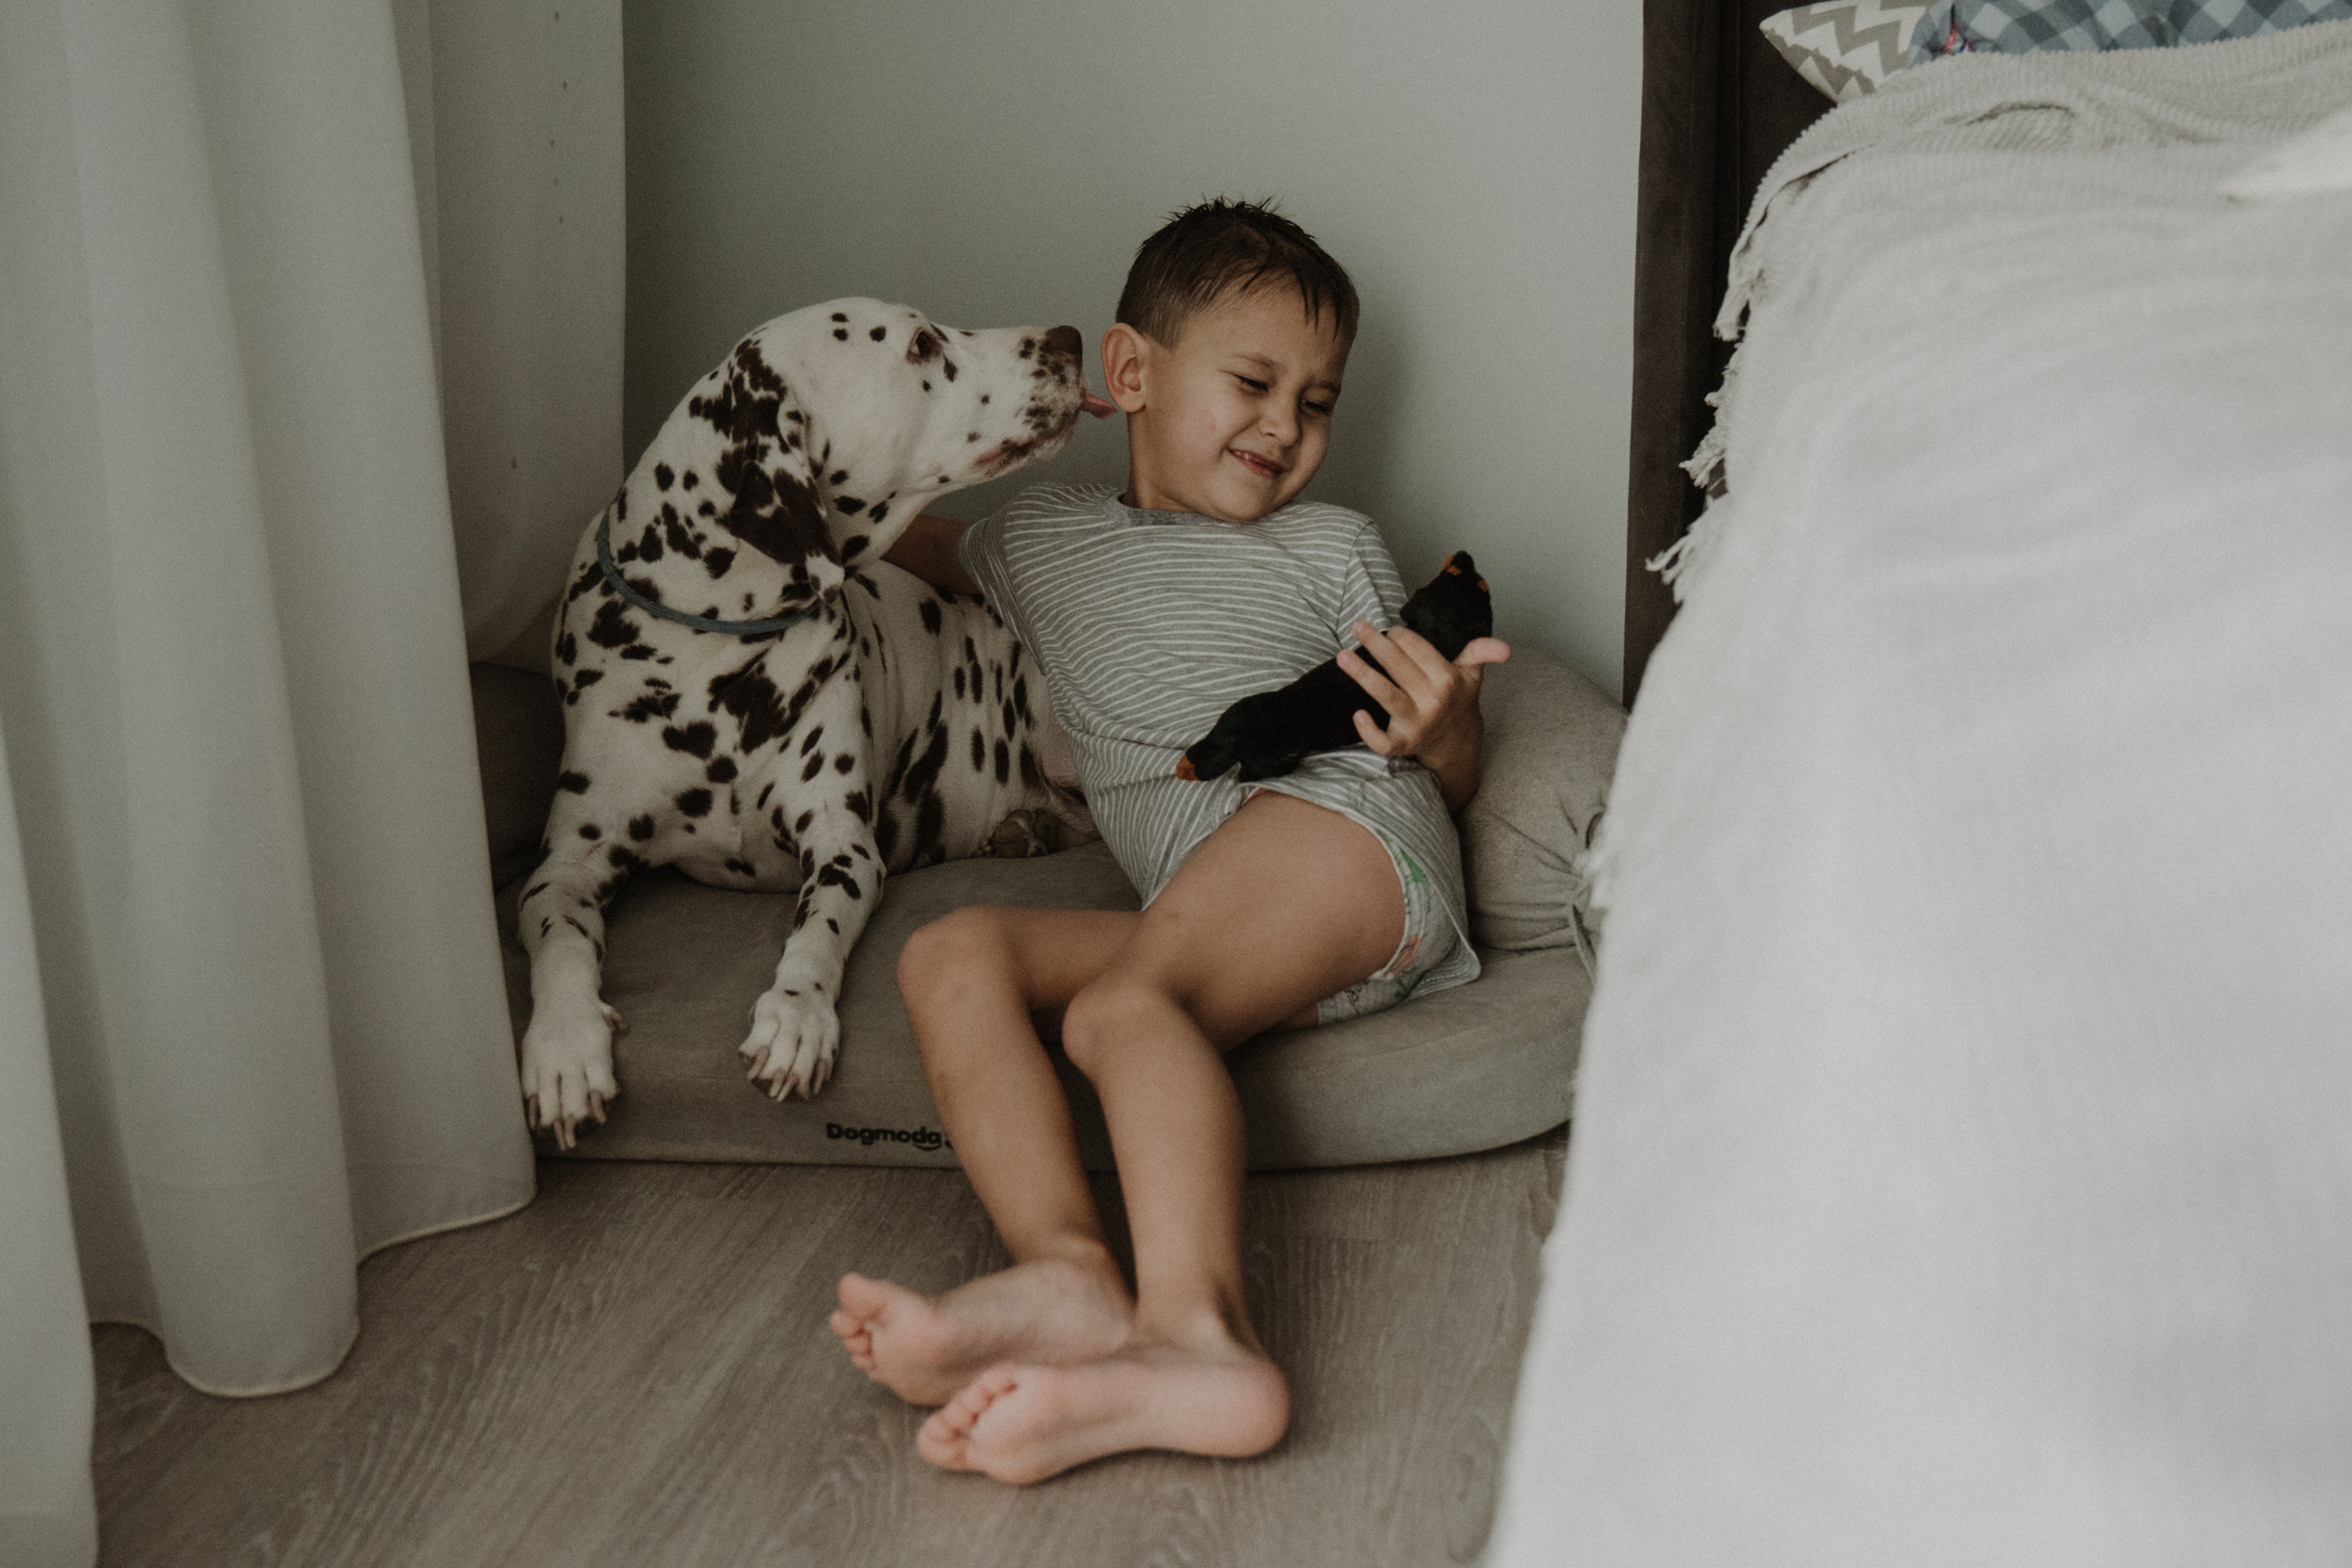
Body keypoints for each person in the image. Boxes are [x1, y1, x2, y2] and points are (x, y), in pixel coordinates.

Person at [831, 198, 1510, 1484]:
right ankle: (1071, 1278)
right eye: (1253, 382)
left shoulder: (1332, 545)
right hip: (1233, 911)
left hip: (1350, 835)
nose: (1285, 427)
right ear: (1131, 372)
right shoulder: (1035, 541)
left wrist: (1444, 736)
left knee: (1123, 1010)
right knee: (954, 957)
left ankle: (1202, 1336)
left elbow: (1443, 754)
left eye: (1318, 402)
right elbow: (873, 535)